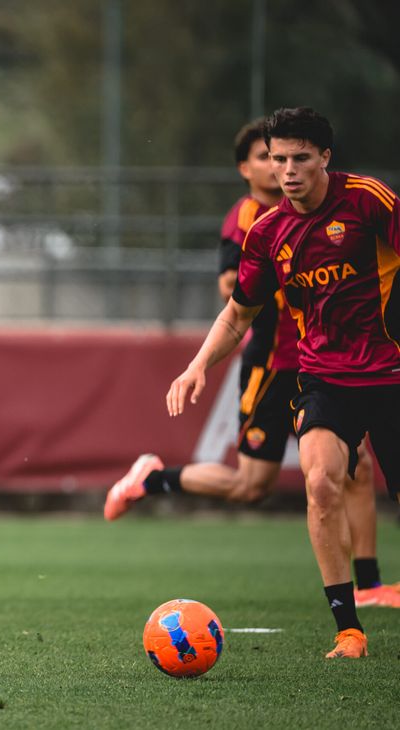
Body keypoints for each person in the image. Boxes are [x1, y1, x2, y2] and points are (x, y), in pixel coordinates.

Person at [104, 120, 400, 609]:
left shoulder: (358, 202)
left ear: (323, 157)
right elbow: (233, 298)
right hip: (278, 364)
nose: (281, 168)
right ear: (248, 167)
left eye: (292, 157)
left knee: (356, 468)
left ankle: (368, 586)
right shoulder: (253, 223)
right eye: (270, 158)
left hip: (348, 367)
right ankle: (152, 480)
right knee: (252, 485)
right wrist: (203, 356)